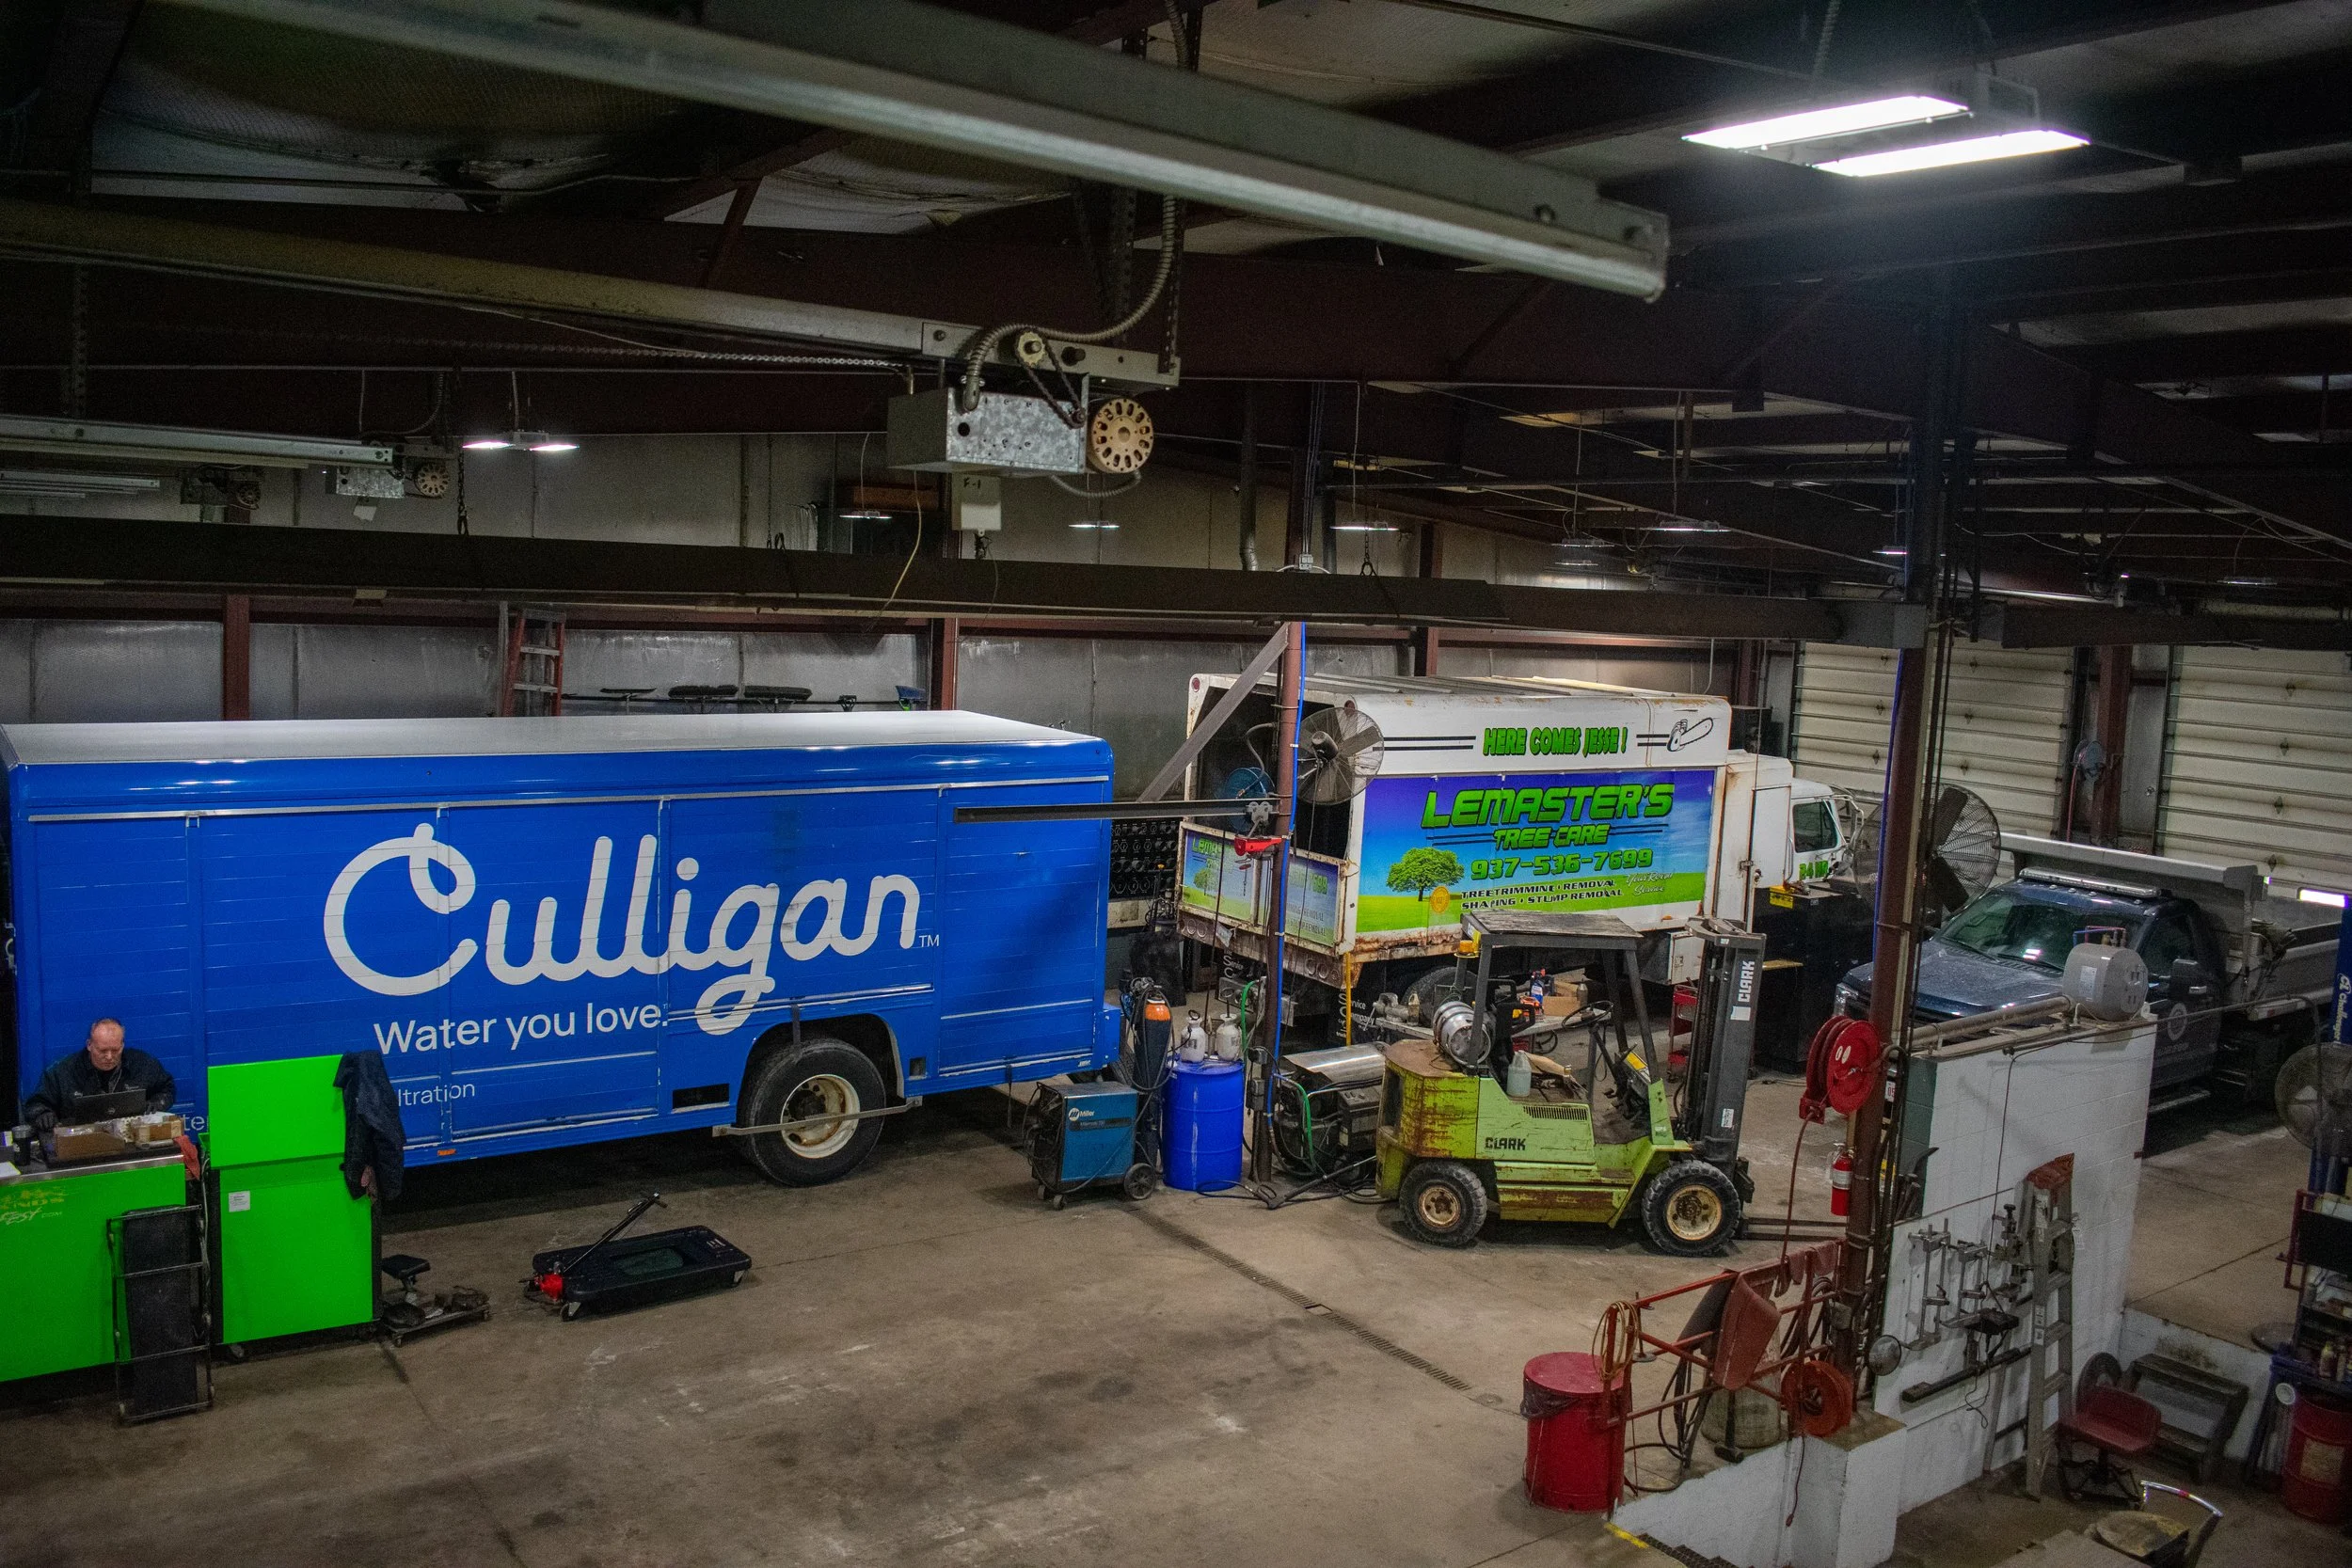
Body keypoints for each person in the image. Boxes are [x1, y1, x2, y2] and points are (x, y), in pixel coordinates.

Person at [24, 1018, 176, 1134]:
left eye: (115, 1050)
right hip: (80, 1140)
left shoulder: (143, 1064)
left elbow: (167, 1089)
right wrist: (43, 1115)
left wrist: (157, 1103)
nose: (109, 1057)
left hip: (131, 1137)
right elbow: (35, 1104)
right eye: (103, 1051)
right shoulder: (61, 1071)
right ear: (89, 1045)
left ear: (122, 1045)